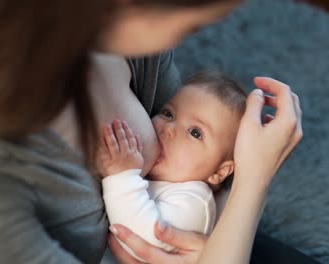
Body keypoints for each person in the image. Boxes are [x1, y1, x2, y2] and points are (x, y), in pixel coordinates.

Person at [0, 0, 310, 263]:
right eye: (193, 23)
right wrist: (253, 183)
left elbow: (206, 172)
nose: (167, 126)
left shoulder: (127, 51)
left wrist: (227, 223)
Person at [98, 71, 246, 261]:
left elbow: (146, 238)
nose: (169, 129)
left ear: (219, 171)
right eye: (169, 114)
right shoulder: (158, 175)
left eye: (195, 133)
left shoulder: (195, 203)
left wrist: (122, 176)